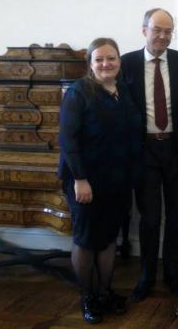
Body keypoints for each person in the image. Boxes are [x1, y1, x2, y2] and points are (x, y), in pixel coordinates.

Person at [59, 37, 141, 324]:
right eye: (100, 59)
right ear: (90, 64)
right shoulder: (78, 92)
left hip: (116, 179)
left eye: (112, 58)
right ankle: (88, 297)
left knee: (108, 238)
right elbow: (68, 140)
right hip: (85, 180)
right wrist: (80, 179)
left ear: (119, 61)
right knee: (85, 239)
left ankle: (105, 292)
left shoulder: (124, 91)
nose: (106, 64)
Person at [121, 8, 178, 301]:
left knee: (177, 216)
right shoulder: (126, 63)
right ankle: (146, 276)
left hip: (176, 151)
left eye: (168, 31)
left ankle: (172, 275)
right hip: (143, 151)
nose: (163, 36)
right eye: (157, 30)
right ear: (144, 30)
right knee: (150, 218)